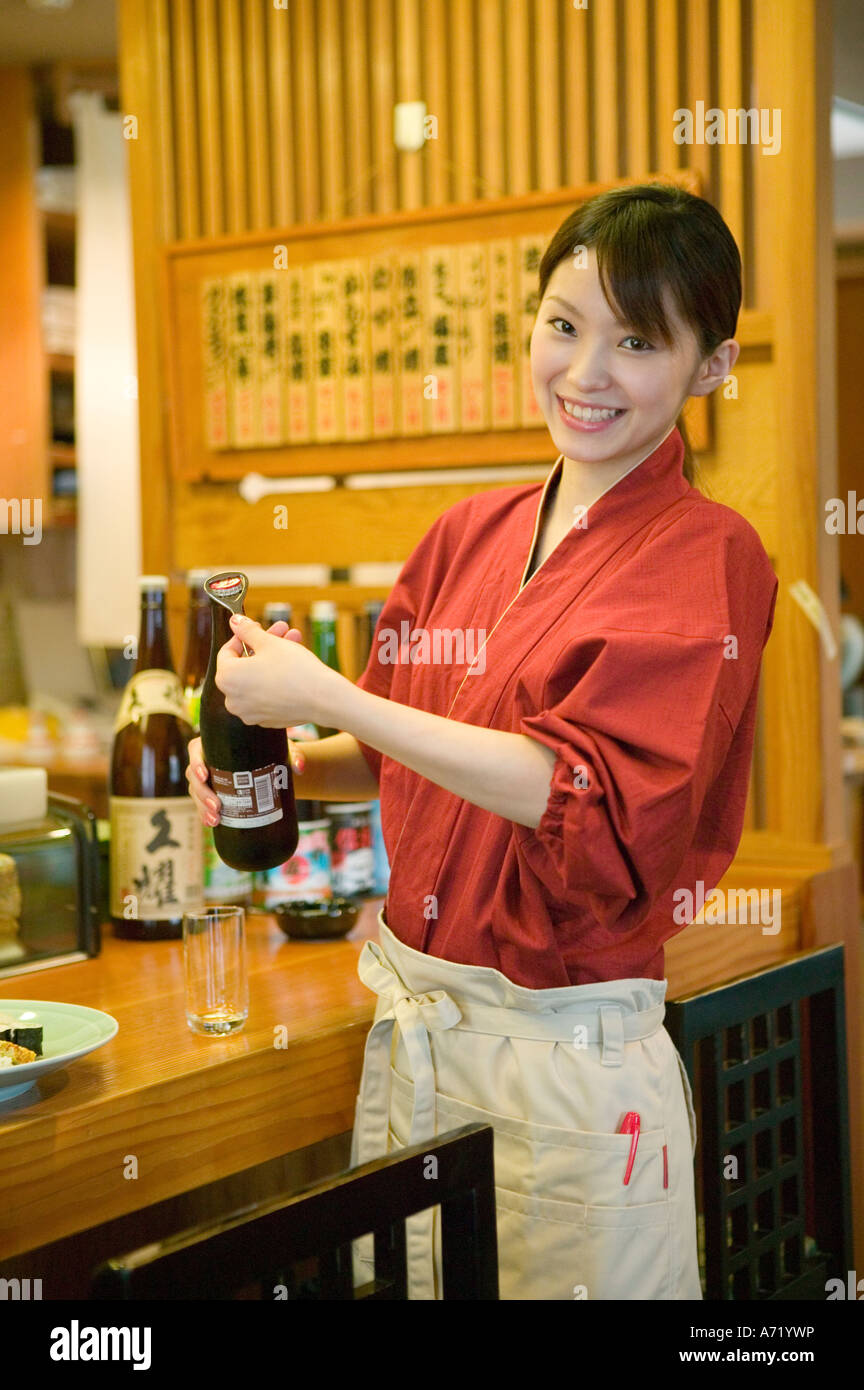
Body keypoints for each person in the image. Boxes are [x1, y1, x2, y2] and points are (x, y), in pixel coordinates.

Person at [185, 182, 778, 1301]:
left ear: (712, 365)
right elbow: (416, 742)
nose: (586, 372)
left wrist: (335, 699)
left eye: (637, 340)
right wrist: (297, 762)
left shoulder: (711, 554)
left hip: (564, 1065)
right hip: (419, 1043)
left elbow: (579, 795)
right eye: (564, 325)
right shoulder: (474, 529)